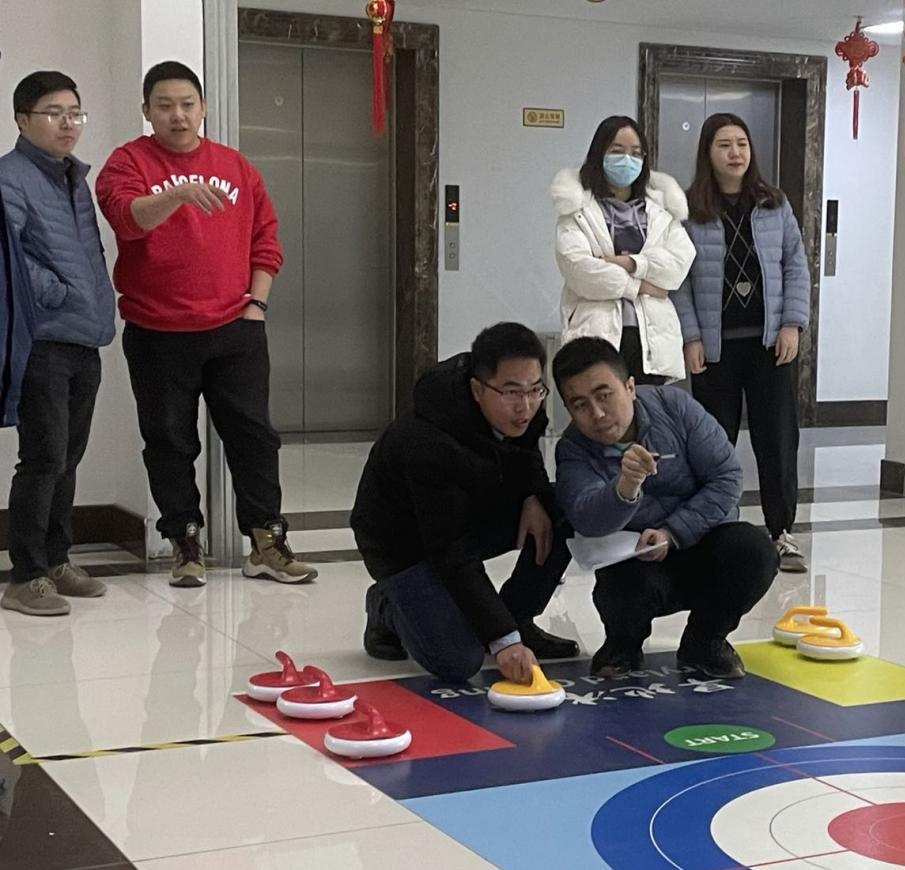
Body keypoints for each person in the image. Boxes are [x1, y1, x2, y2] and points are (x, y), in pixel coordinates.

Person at [95, 61, 313, 588]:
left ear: (204, 107)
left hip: (235, 330)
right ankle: (185, 543)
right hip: (157, 331)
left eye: (188, 104)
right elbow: (127, 218)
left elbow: (266, 240)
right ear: (147, 111)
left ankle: (266, 543)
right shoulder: (127, 162)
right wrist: (176, 194)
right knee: (169, 441)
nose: (178, 115)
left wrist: (256, 307)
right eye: (165, 106)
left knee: (254, 437)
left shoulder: (236, 166)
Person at [351, 323, 579, 685]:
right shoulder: (428, 442)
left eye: (535, 389)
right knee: (458, 660)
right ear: (477, 389)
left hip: (467, 514)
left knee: (562, 509)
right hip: (403, 544)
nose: (525, 406)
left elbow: (526, 449)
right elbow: (451, 550)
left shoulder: (525, 406)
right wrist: (502, 641)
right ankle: (386, 605)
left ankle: (517, 617)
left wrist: (533, 495)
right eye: (511, 392)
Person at [553, 336, 776, 680]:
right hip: (636, 563)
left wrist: (672, 532)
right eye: (580, 404)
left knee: (755, 551)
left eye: (604, 395)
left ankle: (705, 641)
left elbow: (727, 477)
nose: (596, 413)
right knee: (620, 586)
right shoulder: (573, 449)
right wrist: (625, 488)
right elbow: (585, 517)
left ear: (629, 387)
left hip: (701, 543)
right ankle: (623, 645)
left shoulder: (674, 407)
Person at [672, 112, 811, 574]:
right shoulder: (689, 209)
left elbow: (796, 265)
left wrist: (792, 324)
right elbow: (679, 281)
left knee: (778, 440)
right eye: (724, 145)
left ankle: (782, 532)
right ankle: (713, 527)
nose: (735, 153)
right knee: (713, 442)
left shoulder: (774, 204)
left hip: (770, 345)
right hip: (715, 349)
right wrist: (691, 336)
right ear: (708, 153)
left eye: (742, 144)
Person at [0, 71, 115, 616]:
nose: (68, 123)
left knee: (68, 457)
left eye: (75, 113)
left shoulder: (74, 178)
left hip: (83, 337)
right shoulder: (11, 177)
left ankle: (56, 560)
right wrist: (57, 291)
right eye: (54, 113)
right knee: (43, 457)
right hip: (43, 337)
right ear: (22, 120)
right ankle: (25, 576)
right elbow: (7, 255)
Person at [551, 115, 696, 385]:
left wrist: (630, 263)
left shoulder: (662, 210)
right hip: (597, 335)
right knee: (600, 407)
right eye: (617, 151)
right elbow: (580, 270)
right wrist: (640, 286)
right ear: (599, 154)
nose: (627, 160)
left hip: (652, 340)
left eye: (636, 153)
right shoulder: (576, 209)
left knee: (648, 409)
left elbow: (678, 264)